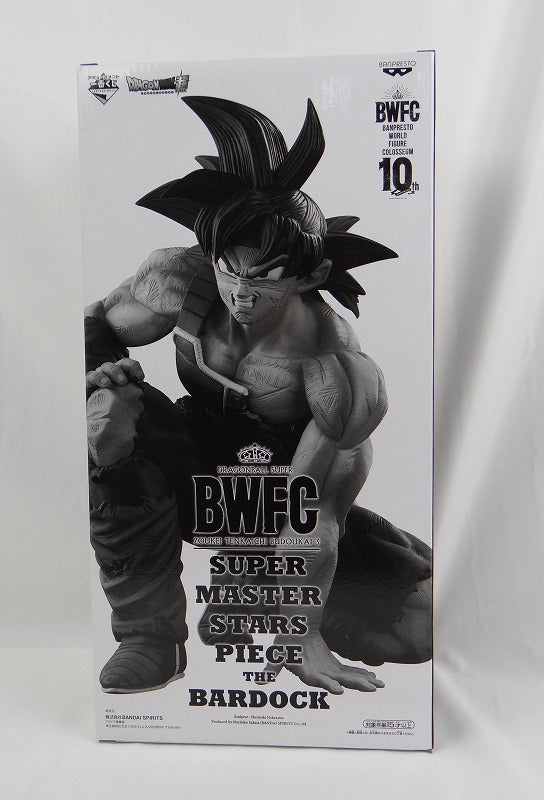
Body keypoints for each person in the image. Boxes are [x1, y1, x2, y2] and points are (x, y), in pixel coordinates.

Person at [85, 96, 431, 695]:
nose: (241, 291)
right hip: (189, 469)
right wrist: (101, 369)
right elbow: (97, 321)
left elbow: (312, 514)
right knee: (107, 418)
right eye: (230, 267)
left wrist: (301, 635)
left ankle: (255, 590)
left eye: (267, 275)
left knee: (420, 627)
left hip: (274, 501)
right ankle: (149, 638)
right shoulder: (181, 278)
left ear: (309, 274)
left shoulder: (336, 370)